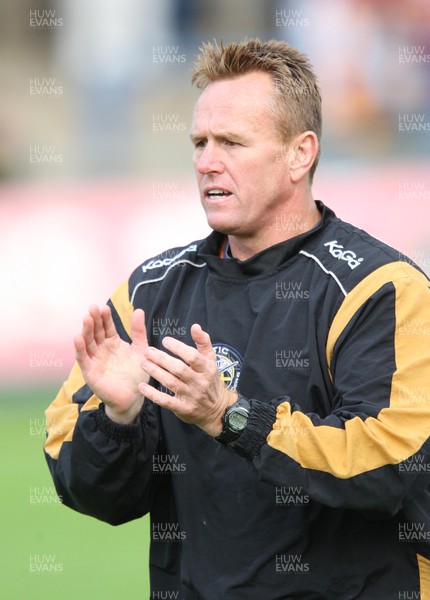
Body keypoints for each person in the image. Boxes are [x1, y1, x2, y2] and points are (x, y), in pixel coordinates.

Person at [44, 38, 430, 599]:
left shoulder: (381, 288)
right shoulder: (149, 293)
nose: (206, 161)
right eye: (199, 142)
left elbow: (393, 465)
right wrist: (117, 418)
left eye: (231, 142)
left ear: (300, 153)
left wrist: (233, 417)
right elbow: (95, 495)